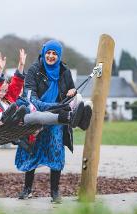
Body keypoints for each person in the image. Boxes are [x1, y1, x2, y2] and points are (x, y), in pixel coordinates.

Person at [15, 39, 92, 203]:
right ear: (44, 53)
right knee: (32, 152)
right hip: (38, 116)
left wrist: (71, 91)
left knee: (56, 152)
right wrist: (55, 106)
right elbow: (31, 99)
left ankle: (55, 192)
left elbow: (69, 94)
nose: (51, 56)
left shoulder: (65, 72)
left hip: (57, 120)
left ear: (59, 55)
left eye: (54, 53)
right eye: (48, 52)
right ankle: (27, 189)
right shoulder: (34, 70)